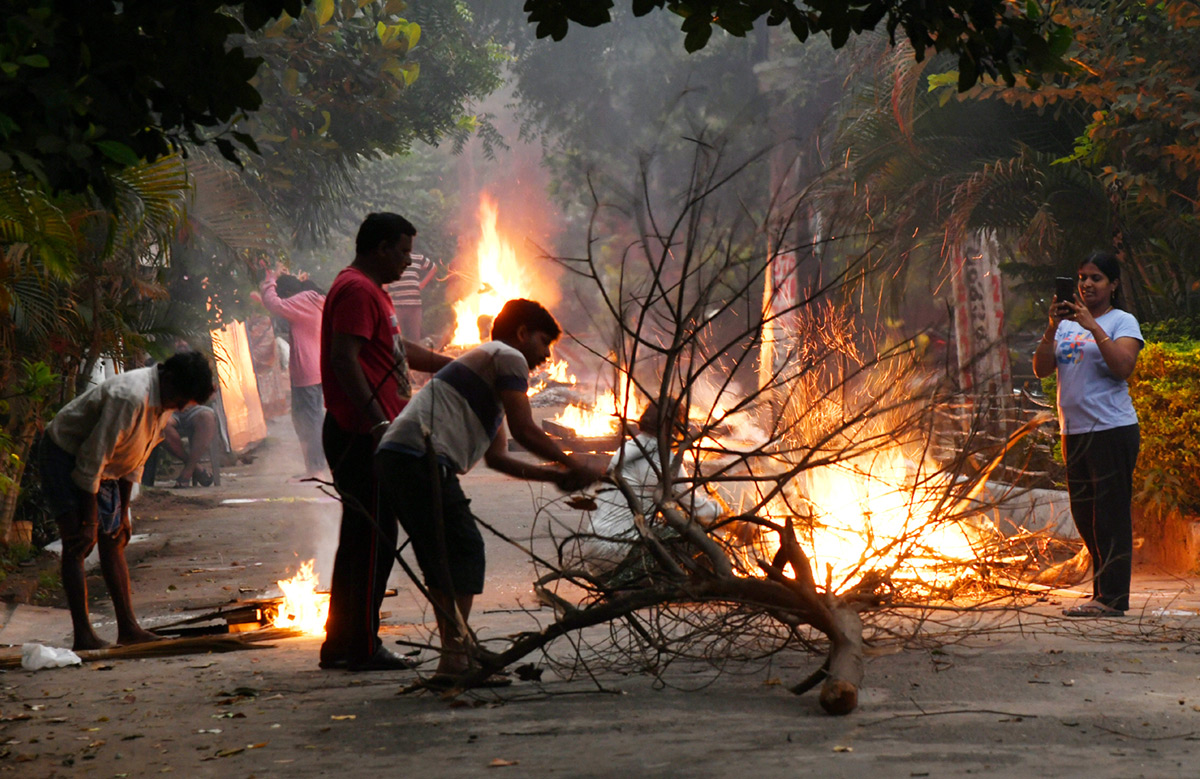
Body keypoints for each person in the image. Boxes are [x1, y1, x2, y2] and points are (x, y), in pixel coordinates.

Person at [375, 298, 604, 681]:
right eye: (544, 342)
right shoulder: (506, 355)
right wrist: (575, 463)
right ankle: (455, 658)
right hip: (419, 457)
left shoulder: (488, 374)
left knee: (445, 558)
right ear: (522, 333)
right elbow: (527, 431)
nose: (546, 356)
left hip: (402, 458)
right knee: (464, 549)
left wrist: (556, 476)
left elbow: (498, 459)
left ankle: (457, 653)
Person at [319, 212, 453, 672]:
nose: (408, 263)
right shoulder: (357, 290)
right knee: (375, 538)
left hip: (365, 429)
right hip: (361, 433)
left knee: (361, 538)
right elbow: (344, 359)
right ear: (380, 248)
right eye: (403, 252)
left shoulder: (372, 292)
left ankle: (341, 642)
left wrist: (449, 364)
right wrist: (378, 424)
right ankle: (361, 646)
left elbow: (397, 351)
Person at [39, 352, 215, 649]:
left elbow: (134, 458)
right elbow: (92, 462)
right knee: (78, 540)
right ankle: (83, 635)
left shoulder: (165, 399)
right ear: (169, 379)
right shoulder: (130, 397)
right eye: (183, 400)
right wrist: (91, 521)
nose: (182, 408)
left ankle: (128, 628)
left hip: (104, 465)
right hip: (65, 452)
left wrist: (123, 514)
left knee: (115, 538)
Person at [1033, 251, 1143, 617]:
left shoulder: (1121, 321)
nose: (1087, 284)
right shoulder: (1064, 324)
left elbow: (1123, 367)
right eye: (1082, 277)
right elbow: (1042, 370)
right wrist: (1052, 327)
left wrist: (1092, 326)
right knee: (1085, 516)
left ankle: (1112, 599)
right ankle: (1101, 591)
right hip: (1075, 432)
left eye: (1096, 278)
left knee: (1110, 516)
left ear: (1112, 285)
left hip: (1112, 429)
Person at [580, 399, 723, 574]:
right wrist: (734, 523)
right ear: (672, 427)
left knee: (668, 520)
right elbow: (698, 509)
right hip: (620, 553)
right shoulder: (662, 459)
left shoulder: (627, 448)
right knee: (695, 531)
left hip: (595, 555)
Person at [258, 268, 327, 478]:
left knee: (309, 421)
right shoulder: (316, 300)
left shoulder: (304, 300)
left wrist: (270, 281)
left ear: (288, 293)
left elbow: (274, 303)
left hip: (307, 371)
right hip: (313, 370)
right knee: (306, 419)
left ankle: (317, 470)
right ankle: (314, 467)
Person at [161, 403, 218, 487]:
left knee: (207, 418)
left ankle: (188, 471)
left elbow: (212, 394)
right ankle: (194, 468)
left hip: (194, 407)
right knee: (160, 425)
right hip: (167, 409)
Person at [385, 253, 436, 341]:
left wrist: (422, 284)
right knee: (397, 337)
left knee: (414, 337)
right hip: (397, 306)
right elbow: (385, 278)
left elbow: (433, 267)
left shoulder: (418, 258)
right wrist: (385, 295)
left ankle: (415, 354)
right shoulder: (391, 258)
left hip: (414, 307)